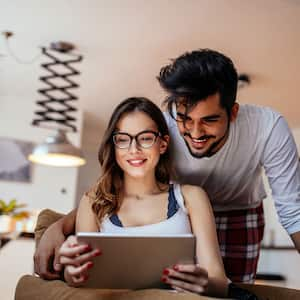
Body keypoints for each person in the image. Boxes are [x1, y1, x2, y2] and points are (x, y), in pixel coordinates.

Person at [34, 49, 300, 283]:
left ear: (233, 112)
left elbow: (293, 210)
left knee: (234, 290)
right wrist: (58, 227)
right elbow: (117, 186)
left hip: (239, 211)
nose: (195, 132)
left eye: (208, 120)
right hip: (180, 210)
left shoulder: (267, 128)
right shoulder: (159, 128)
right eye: (184, 118)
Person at [57, 97, 228, 297]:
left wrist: (205, 285)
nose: (134, 149)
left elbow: (220, 283)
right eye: (123, 139)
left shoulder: (192, 197)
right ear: (114, 146)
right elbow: (82, 278)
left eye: (145, 138)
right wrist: (71, 273)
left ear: (163, 144)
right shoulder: (92, 202)